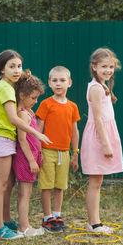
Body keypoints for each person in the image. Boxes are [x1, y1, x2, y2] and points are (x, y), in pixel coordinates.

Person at [0, 50, 51, 240]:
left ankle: (6, 220)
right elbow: (13, 118)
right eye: (11, 66)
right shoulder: (5, 88)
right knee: (1, 186)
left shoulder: (7, 87)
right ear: (2, 69)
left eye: (19, 66)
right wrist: (37, 133)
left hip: (5, 140)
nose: (16, 70)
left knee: (8, 183)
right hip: (1, 140)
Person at [81, 48, 123, 233]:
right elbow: (97, 118)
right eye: (104, 66)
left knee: (97, 181)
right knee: (95, 181)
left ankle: (95, 221)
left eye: (111, 66)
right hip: (99, 138)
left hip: (104, 134)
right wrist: (106, 144)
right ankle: (94, 223)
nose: (108, 70)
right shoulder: (97, 88)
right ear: (94, 67)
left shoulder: (103, 86)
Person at [35, 66, 80, 233]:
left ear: (69, 83)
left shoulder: (72, 107)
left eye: (62, 80)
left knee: (59, 186)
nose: (58, 84)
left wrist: (75, 153)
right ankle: (47, 218)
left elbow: (74, 131)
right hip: (47, 151)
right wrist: (38, 151)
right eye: (55, 81)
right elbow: (38, 129)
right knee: (46, 185)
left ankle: (57, 215)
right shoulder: (46, 104)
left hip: (64, 152)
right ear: (49, 83)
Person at [12, 70, 45, 237]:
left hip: (30, 158)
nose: (36, 101)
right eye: (33, 98)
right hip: (25, 159)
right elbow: (22, 140)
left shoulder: (26, 112)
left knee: (27, 193)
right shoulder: (22, 115)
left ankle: (23, 225)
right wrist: (32, 161)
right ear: (22, 95)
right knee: (25, 194)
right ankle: (24, 227)